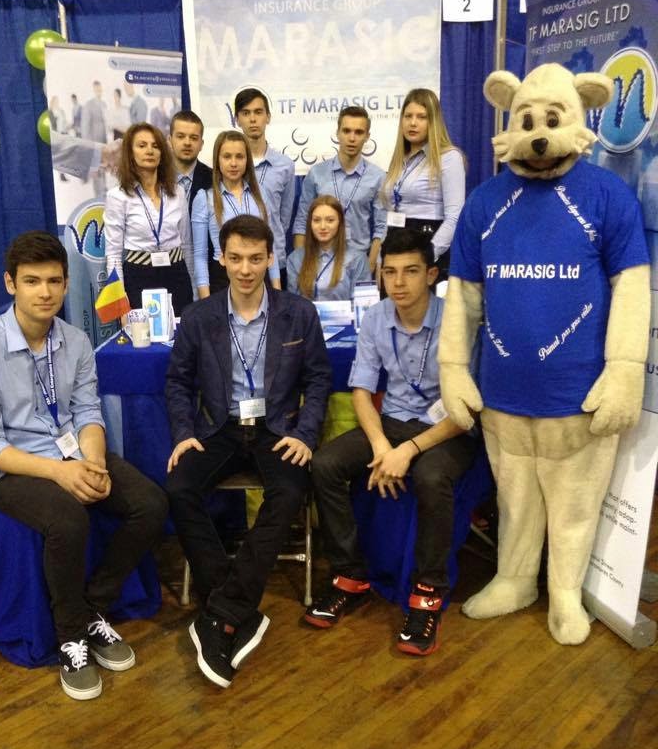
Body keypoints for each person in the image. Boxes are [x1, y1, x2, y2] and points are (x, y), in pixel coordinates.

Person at [0, 231, 167, 700]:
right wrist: (59, 472)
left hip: (74, 452)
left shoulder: (75, 341)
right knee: (69, 519)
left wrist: (93, 462)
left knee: (150, 504)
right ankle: (71, 636)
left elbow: (88, 413)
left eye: (54, 281)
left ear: (67, 284)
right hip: (15, 468)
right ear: (10, 284)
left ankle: (92, 608)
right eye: (32, 281)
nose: (45, 292)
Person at [165, 214, 331, 689]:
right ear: (221, 258)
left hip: (276, 429)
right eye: (235, 258)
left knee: (290, 491)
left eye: (255, 259)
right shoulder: (199, 317)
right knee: (178, 487)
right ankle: (233, 606)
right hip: (219, 427)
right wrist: (183, 432)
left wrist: (306, 434)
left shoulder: (299, 313)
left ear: (270, 258)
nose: (245, 269)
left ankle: (219, 613)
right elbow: (177, 382)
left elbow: (319, 378)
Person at [305, 228, 478, 655]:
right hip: (392, 424)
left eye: (411, 271)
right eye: (390, 272)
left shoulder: (457, 322)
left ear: (431, 275)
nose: (398, 282)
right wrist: (383, 447)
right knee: (325, 465)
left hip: (447, 431)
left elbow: (466, 411)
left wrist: (409, 451)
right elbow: (361, 392)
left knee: (431, 477)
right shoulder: (377, 317)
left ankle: (428, 593)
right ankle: (350, 574)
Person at [103, 123, 193, 312]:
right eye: (142, 145)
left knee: (182, 329)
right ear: (130, 153)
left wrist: (193, 288)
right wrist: (120, 304)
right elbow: (113, 254)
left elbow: (186, 245)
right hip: (139, 276)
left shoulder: (178, 192)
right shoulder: (118, 196)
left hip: (177, 273)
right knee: (142, 331)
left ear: (162, 153)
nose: (149, 151)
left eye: (155, 146)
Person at [382, 89, 466, 279]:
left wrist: (429, 254)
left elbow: (455, 217)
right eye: (408, 116)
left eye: (421, 117)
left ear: (433, 122)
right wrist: (383, 256)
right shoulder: (400, 159)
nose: (413, 123)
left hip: (428, 242)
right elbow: (389, 211)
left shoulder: (449, 157)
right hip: (395, 244)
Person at [292, 106, 386, 275]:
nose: (352, 138)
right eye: (346, 131)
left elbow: (381, 226)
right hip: (319, 262)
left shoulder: (377, 177)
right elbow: (301, 222)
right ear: (337, 133)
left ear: (367, 136)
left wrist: (370, 265)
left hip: (358, 262)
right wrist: (302, 264)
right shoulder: (316, 174)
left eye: (359, 132)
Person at [191, 130, 281, 297]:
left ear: (247, 160)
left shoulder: (260, 194)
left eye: (239, 157)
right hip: (223, 276)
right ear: (217, 160)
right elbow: (200, 255)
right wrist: (205, 300)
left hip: (258, 271)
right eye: (227, 157)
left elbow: (271, 246)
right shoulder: (205, 198)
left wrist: (277, 290)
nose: (233, 163)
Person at [234, 88, 296, 285]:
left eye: (258, 112)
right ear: (237, 119)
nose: (253, 119)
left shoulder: (285, 165)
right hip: (239, 261)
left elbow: (283, 219)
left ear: (268, 117)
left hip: (273, 259)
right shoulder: (230, 165)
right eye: (246, 113)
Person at [287, 195, 371, 301]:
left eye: (330, 220)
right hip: (306, 312)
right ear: (310, 224)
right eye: (316, 220)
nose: (323, 226)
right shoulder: (295, 259)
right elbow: (293, 303)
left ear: (340, 223)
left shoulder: (358, 259)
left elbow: (363, 304)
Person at [168, 109, 212, 215]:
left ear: (201, 144)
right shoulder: (156, 177)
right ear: (169, 140)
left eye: (193, 138)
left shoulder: (214, 179)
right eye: (180, 136)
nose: (187, 143)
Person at [81, 80, 108, 200]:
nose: (99, 91)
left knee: (103, 166)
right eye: (97, 89)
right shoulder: (89, 105)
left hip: (103, 142)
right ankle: (98, 195)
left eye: (100, 89)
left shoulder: (104, 104)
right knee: (95, 168)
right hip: (93, 143)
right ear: (93, 90)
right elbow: (85, 126)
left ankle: (104, 189)